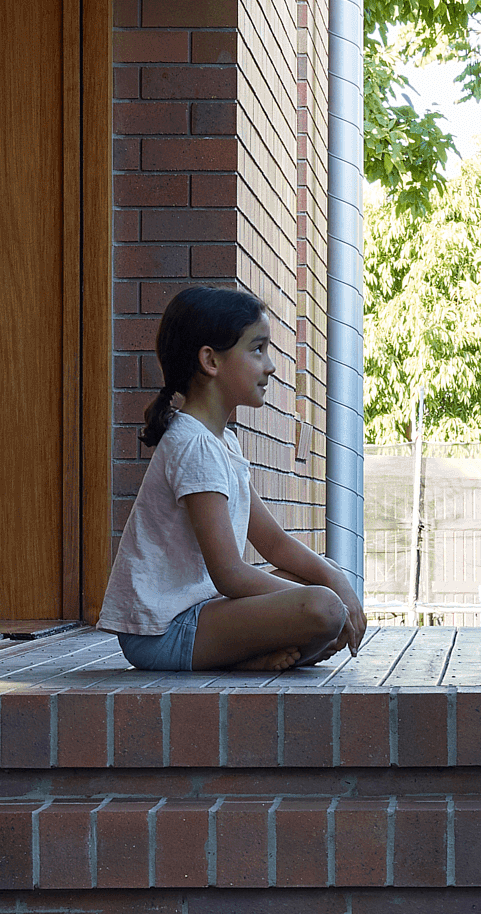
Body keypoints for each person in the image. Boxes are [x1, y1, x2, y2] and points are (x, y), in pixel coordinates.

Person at [98, 284, 367, 674]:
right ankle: (252, 656)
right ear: (210, 360)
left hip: (202, 614)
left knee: (316, 585)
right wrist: (333, 604)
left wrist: (334, 578)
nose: (270, 366)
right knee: (322, 607)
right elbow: (229, 574)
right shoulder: (194, 446)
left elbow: (273, 543)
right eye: (257, 349)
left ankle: (260, 656)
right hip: (162, 632)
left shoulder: (222, 442)